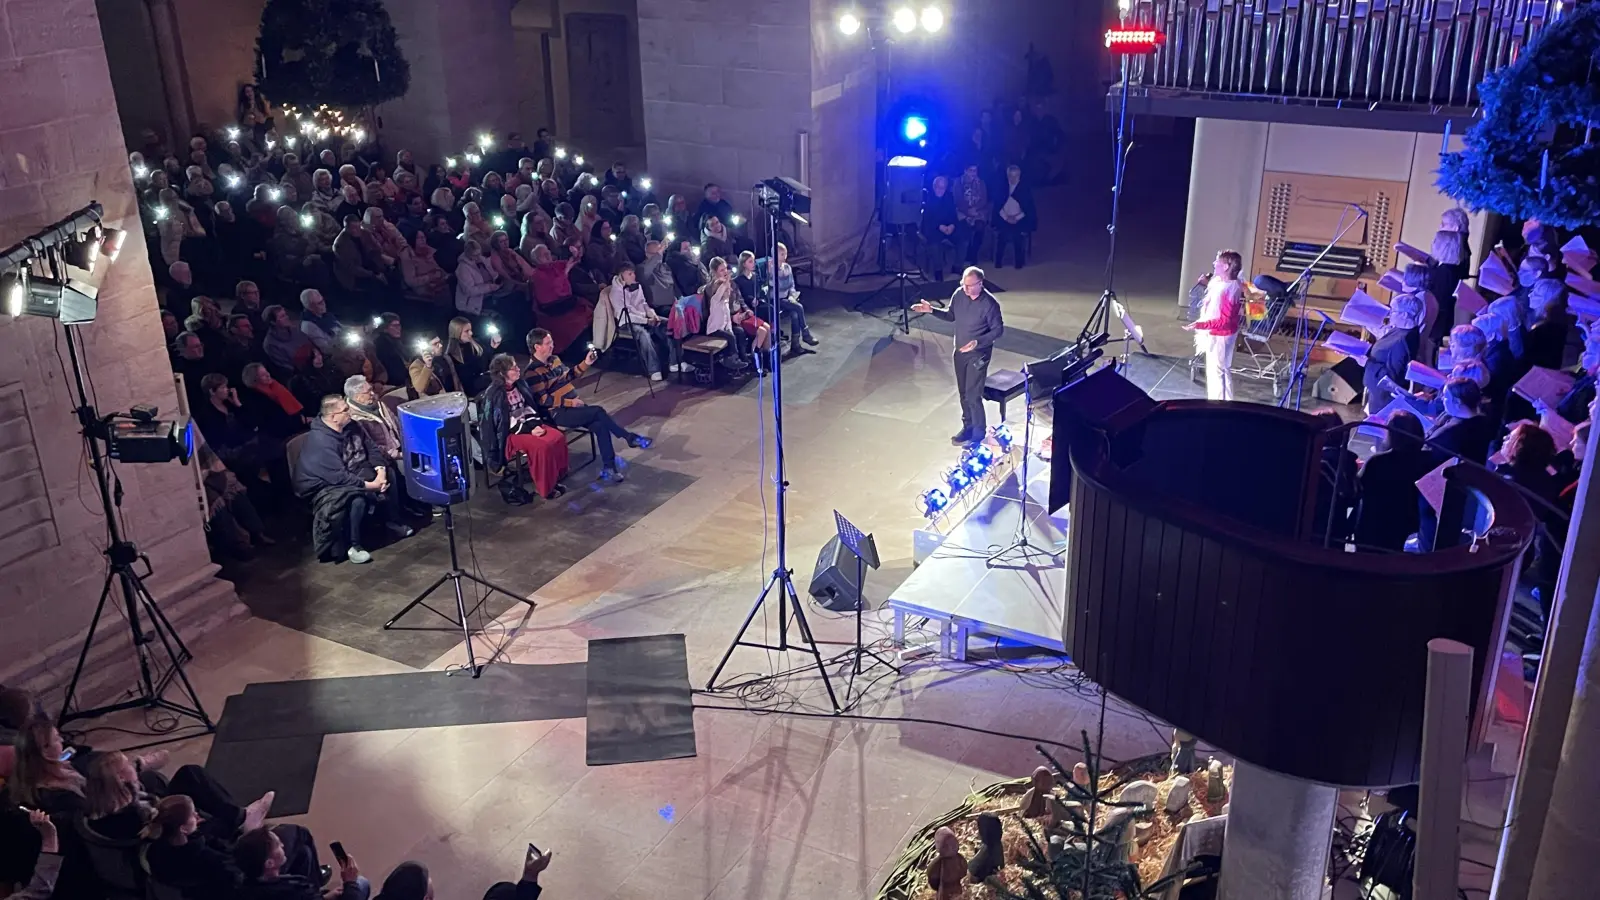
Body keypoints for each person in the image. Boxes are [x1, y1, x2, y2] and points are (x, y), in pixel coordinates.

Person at [290, 394, 412, 564]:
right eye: (345, 410)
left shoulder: (352, 425)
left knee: (389, 473)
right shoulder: (321, 441)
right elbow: (338, 477)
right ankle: (354, 545)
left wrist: (380, 473)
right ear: (333, 417)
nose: (350, 412)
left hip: (351, 470)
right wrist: (371, 486)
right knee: (356, 498)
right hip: (323, 485)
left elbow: (372, 449)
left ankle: (392, 522)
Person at [523, 328, 650, 483]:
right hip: (557, 412)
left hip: (573, 406)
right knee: (598, 411)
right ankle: (627, 437)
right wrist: (571, 402)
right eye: (548, 343)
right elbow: (543, 400)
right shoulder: (532, 372)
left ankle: (609, 468)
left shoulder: (554, 360)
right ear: (537, 347)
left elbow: (568, 376)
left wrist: (586, 363)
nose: (552, 346)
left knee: (600, 425)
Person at [911, 267, 1005, 445]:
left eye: (970, 286)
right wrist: (931, 310)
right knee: (963, 393)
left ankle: (978, 432)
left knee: (973, 394)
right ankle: (968, 426)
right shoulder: (959, 295)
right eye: (963, 284)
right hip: (960, 352)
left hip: (979, 355)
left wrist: (978, 342)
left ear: (980, 284)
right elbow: (951, 315)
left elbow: (998, 330)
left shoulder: (989, 304)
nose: (965, 289)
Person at [482, 353, 570, 502]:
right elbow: (502, 422)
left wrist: (534, 425)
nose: (518, 369)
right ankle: (545, 488)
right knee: (542, 447)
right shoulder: (494, 394)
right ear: (503, 374)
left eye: (516, 366)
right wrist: (529, 430)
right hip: (510, 433)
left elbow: (528, 407)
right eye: (513, 368)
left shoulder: (520, 384)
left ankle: (556, 478)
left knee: (558, 437)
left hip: (528, 425)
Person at [1353, 411, 1431, 551]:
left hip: (1374, 531)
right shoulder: (1428, 461)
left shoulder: (1377, 462)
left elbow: (1357, 489)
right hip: (1409, 528)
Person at [234, 827, 368, 900]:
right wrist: (350, 882)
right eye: (278, 846)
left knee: (304, 852)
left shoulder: (244, 887)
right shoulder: (294, 892)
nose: (282, 844)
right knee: (362, 884)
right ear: (269, 863)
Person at [1185, 250, 1245, 401]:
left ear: (1226, 267)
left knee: (1218, 372)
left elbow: (1224, 320)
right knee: (1218, 371)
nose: (1214, 264)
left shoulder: (1229, 290)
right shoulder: (1223, 283)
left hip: (1221, 335)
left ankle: (1221, 404)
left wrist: (1200, 325)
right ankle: (1219, 402)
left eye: (1217, 262)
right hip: (1220, 333)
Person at [610, 263, 681, 380]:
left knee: (669, 324)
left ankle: (675, 362)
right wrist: (646, 321)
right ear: (621, 276)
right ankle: (653, 369)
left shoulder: (637, 286)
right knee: (643, 335)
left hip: (644, 318)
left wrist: (652, 315)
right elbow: (627, 316)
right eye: (630, 274)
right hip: (627, 322)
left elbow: (644, 304)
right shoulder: (616, 293)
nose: (633, 276)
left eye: (633, 273)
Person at [199, 444, 273, 557]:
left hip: (207, 471)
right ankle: (240, 543)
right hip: (194, 482)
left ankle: (257, 532)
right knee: (215, 501)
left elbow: (205, 453)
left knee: (232, 486)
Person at [1363, 294, 1425, 415]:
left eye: (1393, 311)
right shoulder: (1400, 329)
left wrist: (1366, 362)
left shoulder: (1402, 342)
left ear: (1405, 315)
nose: (1389, 314)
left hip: (1384, 399)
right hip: (1377, 392)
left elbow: (1392, 378)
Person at [761, 243, 818, 355]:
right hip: (775, 300)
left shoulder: (787, 267)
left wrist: (792, 295)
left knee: (795, 314)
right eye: (782, 254)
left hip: (787, 297)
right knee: (799, 307)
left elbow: (791, 284)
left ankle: (796, 345)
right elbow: (772, 285)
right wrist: (773, 271)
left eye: (785, 253)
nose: (785, 256)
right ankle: (805, 334)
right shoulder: (770, 269)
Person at [239, 363, 309, 438]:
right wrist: (301, 421)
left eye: (267, 372)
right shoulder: (257, 400)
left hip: (298, 424)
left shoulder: (275, 386)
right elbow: (277, 422)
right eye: (263, 375)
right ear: (255, 381)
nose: (268, 375)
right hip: (284, 435)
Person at [993, 165, 1035, 269]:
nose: (1013, 178)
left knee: (1017, 236)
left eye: (1016, 176)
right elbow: (997, 206)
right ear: (1007, 176)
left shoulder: (1025, 189)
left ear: (1019, 177)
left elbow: (1028, 209)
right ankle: (998, 262)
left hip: (1019, 219)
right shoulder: (1002, 188)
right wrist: (1006, 218)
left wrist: (1016, 218)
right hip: (1003, 218)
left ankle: (1019, 263)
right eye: (1011, 176)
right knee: (1002, 236)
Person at [446, 317, 500, 396]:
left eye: (470, 330)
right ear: (457, 332)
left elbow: (487, 363)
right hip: (472, 388)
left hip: (482, 379)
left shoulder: (475, 343)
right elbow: (467, 378)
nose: (471, 333)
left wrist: (492, 348)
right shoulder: (452, 354)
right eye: (467, 331)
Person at [920, 175, 958, 282]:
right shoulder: (928, 199)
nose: (940, 190)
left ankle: (957, 266)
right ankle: (938, 271)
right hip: (933, 229)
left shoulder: (949, 198)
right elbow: (927, 220)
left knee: (963, 236)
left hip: (948, 228)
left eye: (943, 188)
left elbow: (953, 215)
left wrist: (952, 225)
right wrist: (940, 226)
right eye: (938, 187)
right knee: (935, 243)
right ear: (934, 187)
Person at [955, 164, 991, 265]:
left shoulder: (981, 183)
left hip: (978, 211)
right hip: (962, 211)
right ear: (965, 171)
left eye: (975, 171)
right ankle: (965, 253)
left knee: (980, 227)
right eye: (971, 170)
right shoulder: (958, 182)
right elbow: (957, 200)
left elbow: (984, 199)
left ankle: (973, 254)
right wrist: (967, 210)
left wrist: (976, 209)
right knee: (964, 227)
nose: (973, 173)